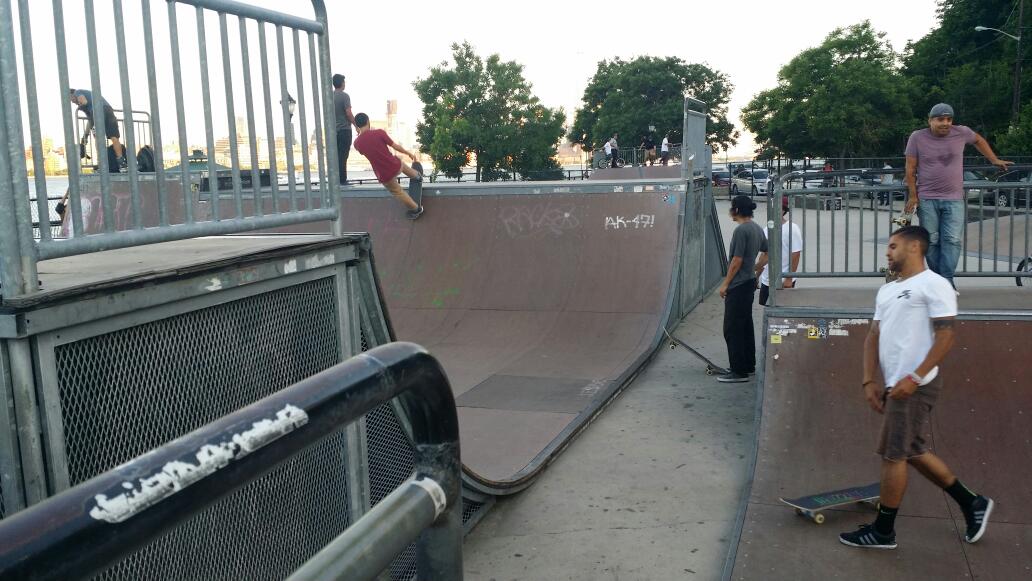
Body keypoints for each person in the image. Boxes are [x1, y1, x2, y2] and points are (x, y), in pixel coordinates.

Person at [839, 225, 993, 550]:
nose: (887, 252)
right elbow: (873, 336)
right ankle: (972, 503)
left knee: (893, 455)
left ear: (914, 248)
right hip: (896, 382)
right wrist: (869, 379)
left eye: (893, 246)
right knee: (914, 451)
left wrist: (914, 377)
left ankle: (883, 531)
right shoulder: (886, 291)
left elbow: (946, 335)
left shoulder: (934, 285)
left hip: (915, 384)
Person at [904, 103, 1012, 289]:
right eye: (940, 119)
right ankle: (938, 282)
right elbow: (910, 168)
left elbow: (978, 140)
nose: (945, 123)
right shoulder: (917, 137)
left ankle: (945, 281)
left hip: (954, 198)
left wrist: (993, 159)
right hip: (927, 198)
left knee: (952, 240)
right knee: (931, 240)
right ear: (930, 120)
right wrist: (913, 196)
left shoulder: (961, 132)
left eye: (949, 119)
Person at [717, 195, 767, 383]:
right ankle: (748, 365)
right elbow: (767, 252)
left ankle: (738, 371)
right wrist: (755, 269)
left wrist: (725, 284)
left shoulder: (741, 230)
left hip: (738, 286)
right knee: (745, 325)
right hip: (749, 283)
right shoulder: (756, 228)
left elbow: (736, 260)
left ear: (736, 210)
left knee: (732, 328)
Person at [352, 112, 424, 219]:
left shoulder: (357, 143)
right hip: (394, 165)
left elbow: (364, 151)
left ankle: (415, 209)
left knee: (398, 192)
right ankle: (417, 176)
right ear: (368, 121)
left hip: (383, 174)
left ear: (357, 126)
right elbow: (395, 146)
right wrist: (408, 153)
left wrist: (360, 135)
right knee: (401, 164)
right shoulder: (380, 132)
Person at [754, 196, 802, 306]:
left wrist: (789, 278)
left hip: (783, 280)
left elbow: (795, 254)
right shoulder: (767, 229)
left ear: (783, 210)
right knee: (767, 310)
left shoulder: (792, 228)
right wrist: (757, 276)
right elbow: (765, 254)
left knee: (783, 314)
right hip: (767, 279)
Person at [69, 88, 122, 166]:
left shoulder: (77, 92)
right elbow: (90, 121)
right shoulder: (89, 100)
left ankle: (101, 163)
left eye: (71, 99)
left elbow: (84, 102)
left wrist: (79, 106)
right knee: (114, 138)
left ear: (72, 95)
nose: (73, 102)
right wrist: (85, 136)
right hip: (108, 110)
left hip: (97, 111)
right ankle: (121, 162)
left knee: (98, 137)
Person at [332, 73, 355, 185]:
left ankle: (335, 180)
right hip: (344, 130)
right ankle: (342, 180)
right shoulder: (344, 96)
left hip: (333, 132)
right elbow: (348, 113)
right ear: (341, 83)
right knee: (343, 155)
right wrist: (356, 125)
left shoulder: (329, 97)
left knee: (335, 156)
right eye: (344, 82)